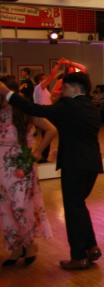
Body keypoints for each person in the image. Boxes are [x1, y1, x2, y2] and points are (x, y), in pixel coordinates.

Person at [0, 71, 104, 270]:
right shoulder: (91, 106)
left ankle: (78, 256)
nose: (61, 91)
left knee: (73, 210)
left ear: (74, 88)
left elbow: (34, 109)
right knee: (79, 206)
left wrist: (7, 93)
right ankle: (91, 247)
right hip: (91, 164)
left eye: (64, 87)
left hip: (74, 165)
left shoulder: (68, 105)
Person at [0, 76, 56, 267]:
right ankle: (15, 247)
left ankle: (30, 244)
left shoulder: (24, 111)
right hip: (1, 167)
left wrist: (37, 152)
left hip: (20, 166)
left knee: (21, 206)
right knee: (5, 208)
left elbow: (51, 130)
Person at [32, 73, 53, 163]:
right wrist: (57, 67)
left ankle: (43, 156)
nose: (46, 80)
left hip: (46, 113)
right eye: (44, 78)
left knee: (47, 135)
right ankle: (41, 156)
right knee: (46, 135)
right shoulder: (39, 87)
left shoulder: (44, 90)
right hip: (43, 114)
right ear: (39, 80)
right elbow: (51, 77)